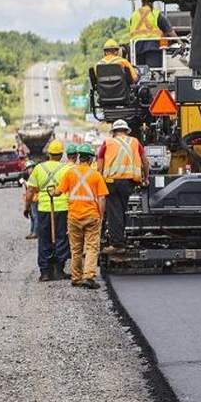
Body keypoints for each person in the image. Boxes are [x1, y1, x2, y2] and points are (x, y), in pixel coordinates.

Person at [55, 143, 108, 289]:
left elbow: (58, 191)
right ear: (91, 159)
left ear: (79, 157)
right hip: (91, 216)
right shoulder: (96, 175)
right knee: (91, 247)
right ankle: (89, 277)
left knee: (76, 249)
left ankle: (76, 277)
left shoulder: (70, 173)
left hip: (73, 216)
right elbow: (102, 198)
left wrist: (52, 192)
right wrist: (101, 216)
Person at [96, 119, 148, 254]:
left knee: (114, 212)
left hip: (111, 182)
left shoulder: (108, 142)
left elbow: (100, 163)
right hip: (129, 182)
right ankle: (124, 237)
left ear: (114, 132)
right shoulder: (135, 142)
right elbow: (145, 161)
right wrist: (146, 178)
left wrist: (99, 180)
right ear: (126, 131)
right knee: (124, 209)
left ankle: (118, 244)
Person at [24, 139, 71, 281]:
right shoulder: (66, 168)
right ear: (61, 154)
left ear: (49, 153)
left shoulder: (39, 168)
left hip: (44, 208)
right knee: (61, 238)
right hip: (62, 208)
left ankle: (45, 272)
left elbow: (30, 190)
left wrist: (26, 208)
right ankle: (59, 270)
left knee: (44, 239)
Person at [127, 0, 178, 71]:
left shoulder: (134, 15)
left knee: (140, 73)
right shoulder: (156, 14)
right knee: (153, 72)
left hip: (137, 48)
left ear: (142, 2)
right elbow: (170, 31)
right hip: (152, 48)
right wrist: (181, 42)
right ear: (151, 3)